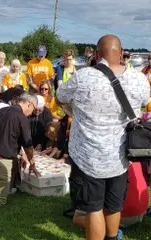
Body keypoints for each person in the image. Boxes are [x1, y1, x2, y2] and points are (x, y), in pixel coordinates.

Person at [56, 34, 150, 240]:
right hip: (119, 157)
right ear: (122, 52)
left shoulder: (84, 76)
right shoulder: (139, 79)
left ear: (97, 54)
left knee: (94, 208)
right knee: (114, 206)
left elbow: (60, 96)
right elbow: (143, 102)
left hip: (88, 156)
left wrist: (74, 109)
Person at [72, 162, 149, 239]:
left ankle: (110, 229)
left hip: (123, 215)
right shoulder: (134, 158)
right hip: (141, 211)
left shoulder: (93, 164)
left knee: (87, 213)